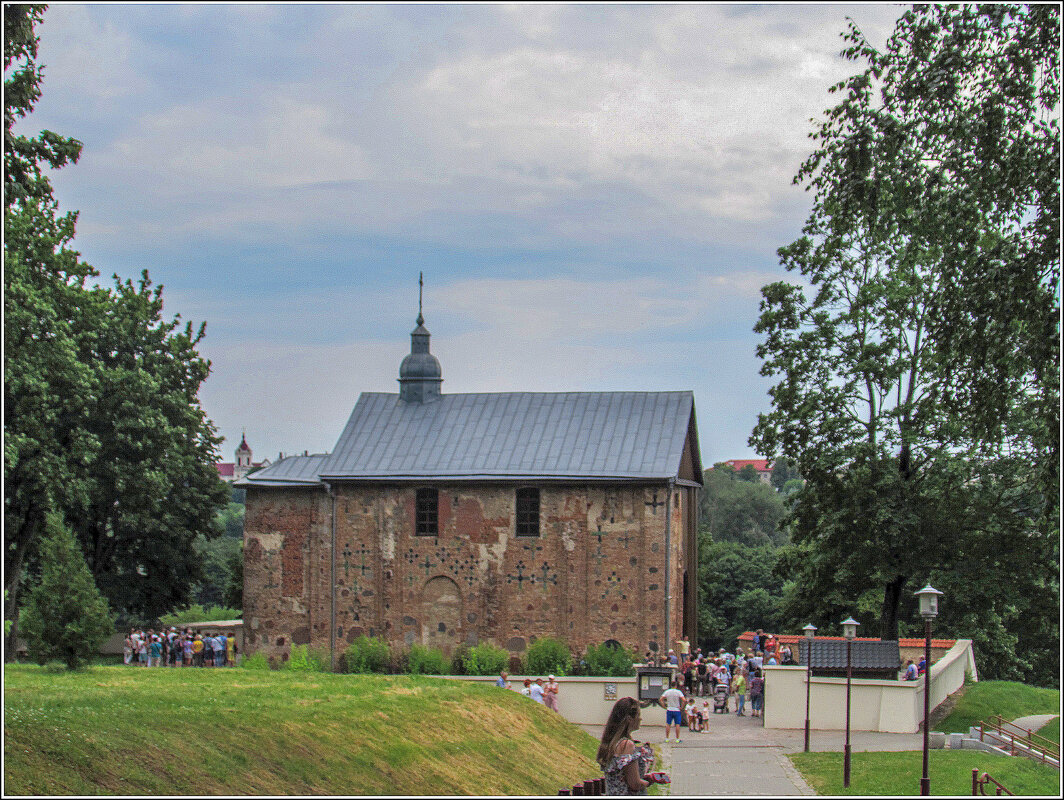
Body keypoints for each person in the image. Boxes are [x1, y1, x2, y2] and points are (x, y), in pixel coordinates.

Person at [596, 697, 667, 795]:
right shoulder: (626, 745)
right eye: (638, 715)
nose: (640, 719)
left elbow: (622, 776)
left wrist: (648, 777)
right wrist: (650, 781)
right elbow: (635, 784)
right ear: (629, 719)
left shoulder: (612, 743)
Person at [659, 678, 686, 743]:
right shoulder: (678, 692)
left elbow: (661, 699)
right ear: (676, 686)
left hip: (669, 709)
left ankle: (667, 738)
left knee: (668, 724)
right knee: (677, 724)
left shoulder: (667, 691)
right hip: (676, 709)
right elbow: (684, 700)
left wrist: (664, 706)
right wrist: (682, 707)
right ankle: (677, 738)